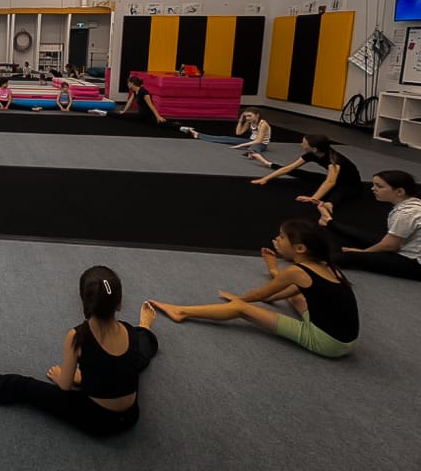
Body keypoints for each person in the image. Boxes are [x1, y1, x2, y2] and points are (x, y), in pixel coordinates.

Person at [0, 266, 159, 436]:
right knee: (136, 355)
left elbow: (65, 386)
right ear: (119, 304)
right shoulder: (128, 331)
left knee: (20, 386)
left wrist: (62, 376)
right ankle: (146, 327)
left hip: (97, 419)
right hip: (130, 416)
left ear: (84, 303)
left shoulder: (77, 337)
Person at [150, 220, 359, 359]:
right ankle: (271, 270)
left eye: (282, 237)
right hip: (347, 340)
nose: (277, 240)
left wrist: (239, 299)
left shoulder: (297, 271)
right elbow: (293, 290)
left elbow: (262, 294)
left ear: (300, 249)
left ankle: (181, 311)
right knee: (298, 297)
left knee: (241, 309)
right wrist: (272, 284)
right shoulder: (326, 265)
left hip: (327, 342)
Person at [318, 170, 421, 280]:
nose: (373, 189)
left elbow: (390, 246)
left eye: (379, 186)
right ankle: (329, 222)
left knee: (352, 257)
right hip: (404, 247)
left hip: (415, 264)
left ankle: (309, 262)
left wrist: (364, 252)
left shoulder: (406, 213)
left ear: (399, 191)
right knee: (364, 237)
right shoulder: (413, 203)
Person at [250, 134, 362, 213]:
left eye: (304, 143)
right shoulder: (311, 154)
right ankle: (269, 164)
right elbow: (289, 168)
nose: (301, 145)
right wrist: (265, 179)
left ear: (314, 149)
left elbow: (330, 182)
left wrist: (312, 198)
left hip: (351, 184)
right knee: (300, 173)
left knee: (339, 191)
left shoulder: (334, 160)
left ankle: (330, 205)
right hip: (335, 179)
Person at [179, 108, 272, 156]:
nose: (247, 118)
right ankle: (198, 134)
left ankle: (251, 152)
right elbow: (238, 133)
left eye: (250, 116)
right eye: (246, 116)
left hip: (261, 144)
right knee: (224, 138)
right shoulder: (249, 122)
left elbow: (259, 140)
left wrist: (241, 145)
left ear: (257, 115)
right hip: (249, 141)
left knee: (255, 147)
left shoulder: (263, 124)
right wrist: (240, 120)